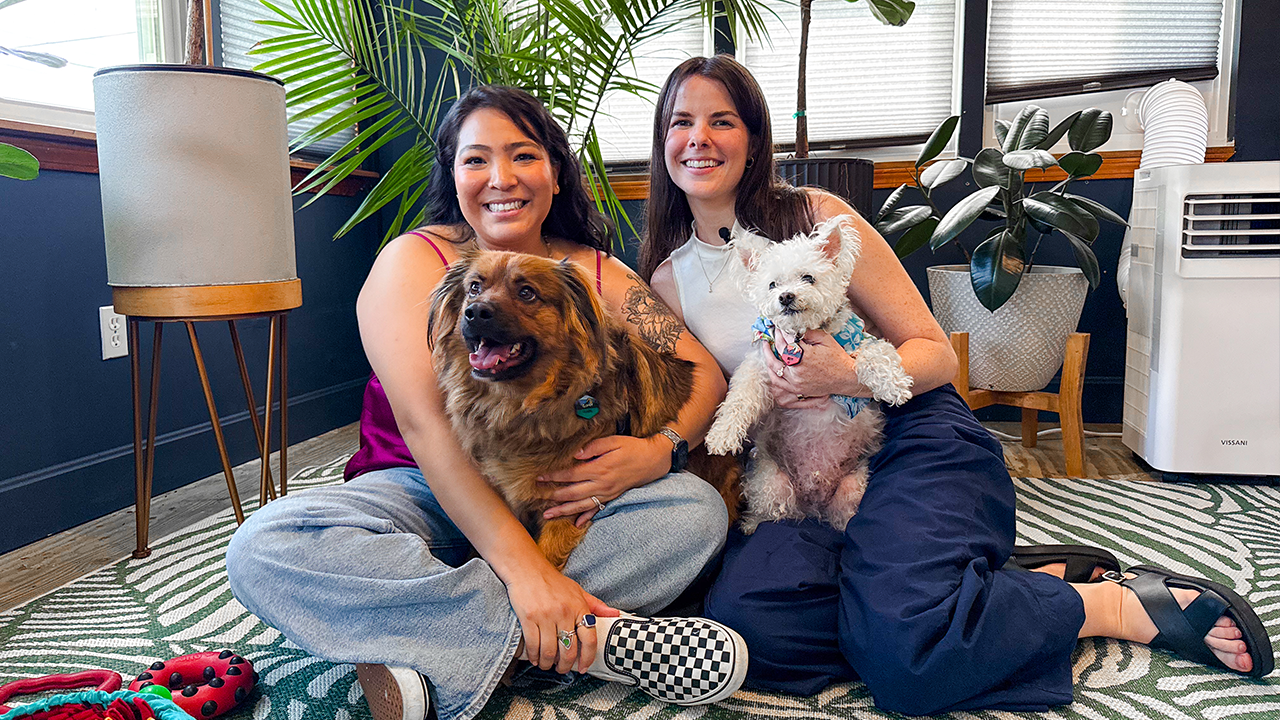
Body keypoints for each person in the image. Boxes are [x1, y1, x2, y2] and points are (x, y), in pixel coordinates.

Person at [640, 54, 1272, 715]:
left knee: (906, 660)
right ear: (662, 140)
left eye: (722, 121)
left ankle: (1103, 603)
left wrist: (846, 373)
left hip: (904, 428)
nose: (699, 138)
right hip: (802, 461)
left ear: (753, 137)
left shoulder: (816, 219)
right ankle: (941, 585)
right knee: (750, 628)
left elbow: (935, 355)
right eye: (682, 122)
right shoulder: (665, 279)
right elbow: (711, 394)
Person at [225, 85, 749, 720]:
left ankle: (416, 637)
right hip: (425, 490)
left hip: (558, 495)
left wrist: (659, 452)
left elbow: (702, 372)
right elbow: (429, 432)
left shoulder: (593, 273)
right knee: (265, 545)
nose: (501, 178)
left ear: (556, 172)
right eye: (476, 159)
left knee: (694, 511)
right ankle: (578, 640)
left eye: (523, 155)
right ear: (453, 175)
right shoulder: (415, 262)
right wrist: (528, 576)